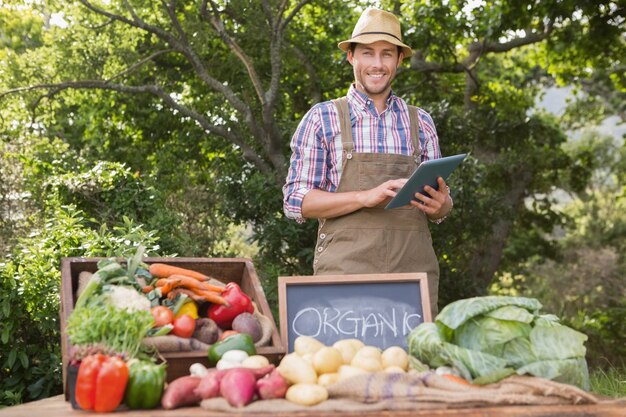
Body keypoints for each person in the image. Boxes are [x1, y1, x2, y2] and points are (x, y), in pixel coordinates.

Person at [282, 8, 452, 316]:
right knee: (344, 363)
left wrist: (442, 205)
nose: (377, 64)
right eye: (367, 53)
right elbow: (297, 202)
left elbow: (441, 208)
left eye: (387, 54)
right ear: (351, 57)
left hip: (412, 281)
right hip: (345, 278)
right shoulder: (323, 118)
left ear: (399, 60)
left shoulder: (421, 122)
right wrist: (365, 196)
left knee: (414, 363)